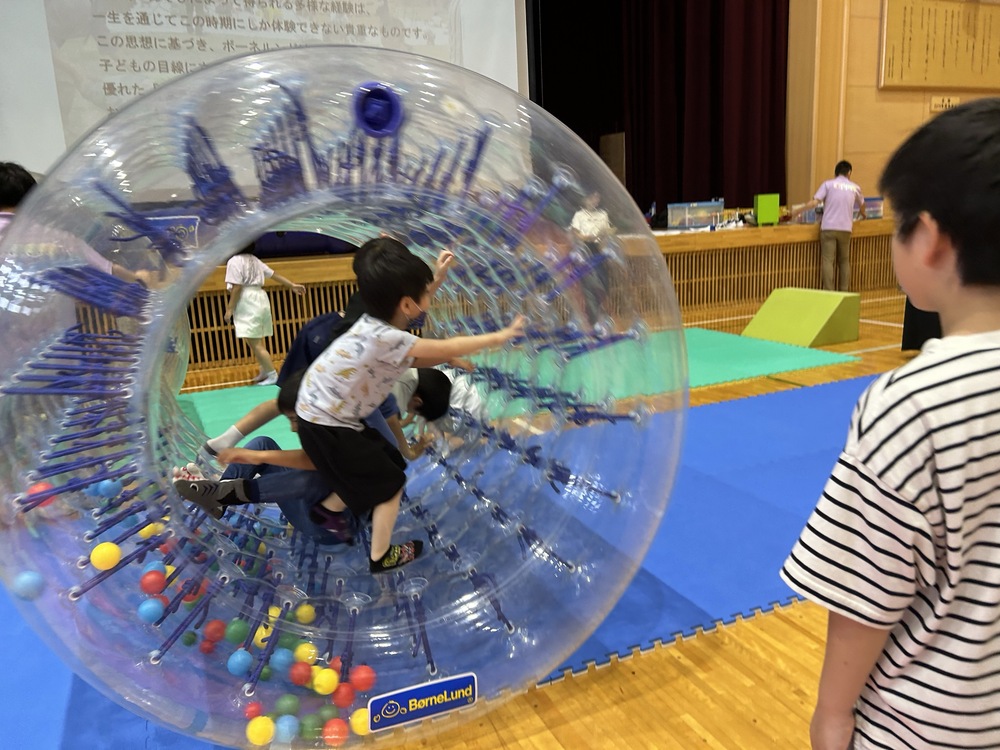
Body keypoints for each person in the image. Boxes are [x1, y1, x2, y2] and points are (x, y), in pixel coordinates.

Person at [780, 98, 1000, 750]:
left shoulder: (912, 406)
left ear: (930, 239)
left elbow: (865, 595)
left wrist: (831, 715)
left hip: (925, 728)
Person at [293, 236, 524, 574]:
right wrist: (500, 336)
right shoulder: (389, 339)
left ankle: (328, 509)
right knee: (392, 484)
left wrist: (437, 278)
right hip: (329, 424)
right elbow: (446, 346)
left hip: (319, 413)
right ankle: (381, 556)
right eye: (424, 293)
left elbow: (417, 320)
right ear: (405, 304)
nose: (427, 298)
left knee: (385, 459)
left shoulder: (374, 320)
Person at [224, 242, 305, 385]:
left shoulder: (234, 261)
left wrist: (229, 309)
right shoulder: (255, 260)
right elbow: (274, 275)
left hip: (247, 300)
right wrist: (291, 285)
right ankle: (264, 370)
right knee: (254, 339)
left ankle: (272, 374)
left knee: (255, 342)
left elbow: (237, 287)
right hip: (260, 298)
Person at [792, 160, 867, 291]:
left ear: (835, 173)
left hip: (828, 227)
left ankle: (829, 291)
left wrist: (798, 211)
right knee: (844, 261)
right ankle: (844, 291)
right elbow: (862, 205)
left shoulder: (828, 184)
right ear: (849, 173)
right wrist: (863, 214)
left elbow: (814, 203)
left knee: (828, 261)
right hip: (846, 229)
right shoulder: (855, 188)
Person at [569, 190, 613, 324]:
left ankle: (601, 317)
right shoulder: (579, 215)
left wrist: (605, 242)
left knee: (603, 284)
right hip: (584, 252)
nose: (594, 200)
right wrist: (585, 237)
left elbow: (606, 234)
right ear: (585, 199)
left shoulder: (603, 215)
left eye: (597, 197)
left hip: (598, 251)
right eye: (592, 197)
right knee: (589, 287)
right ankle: (592, 322)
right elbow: (575, 233)